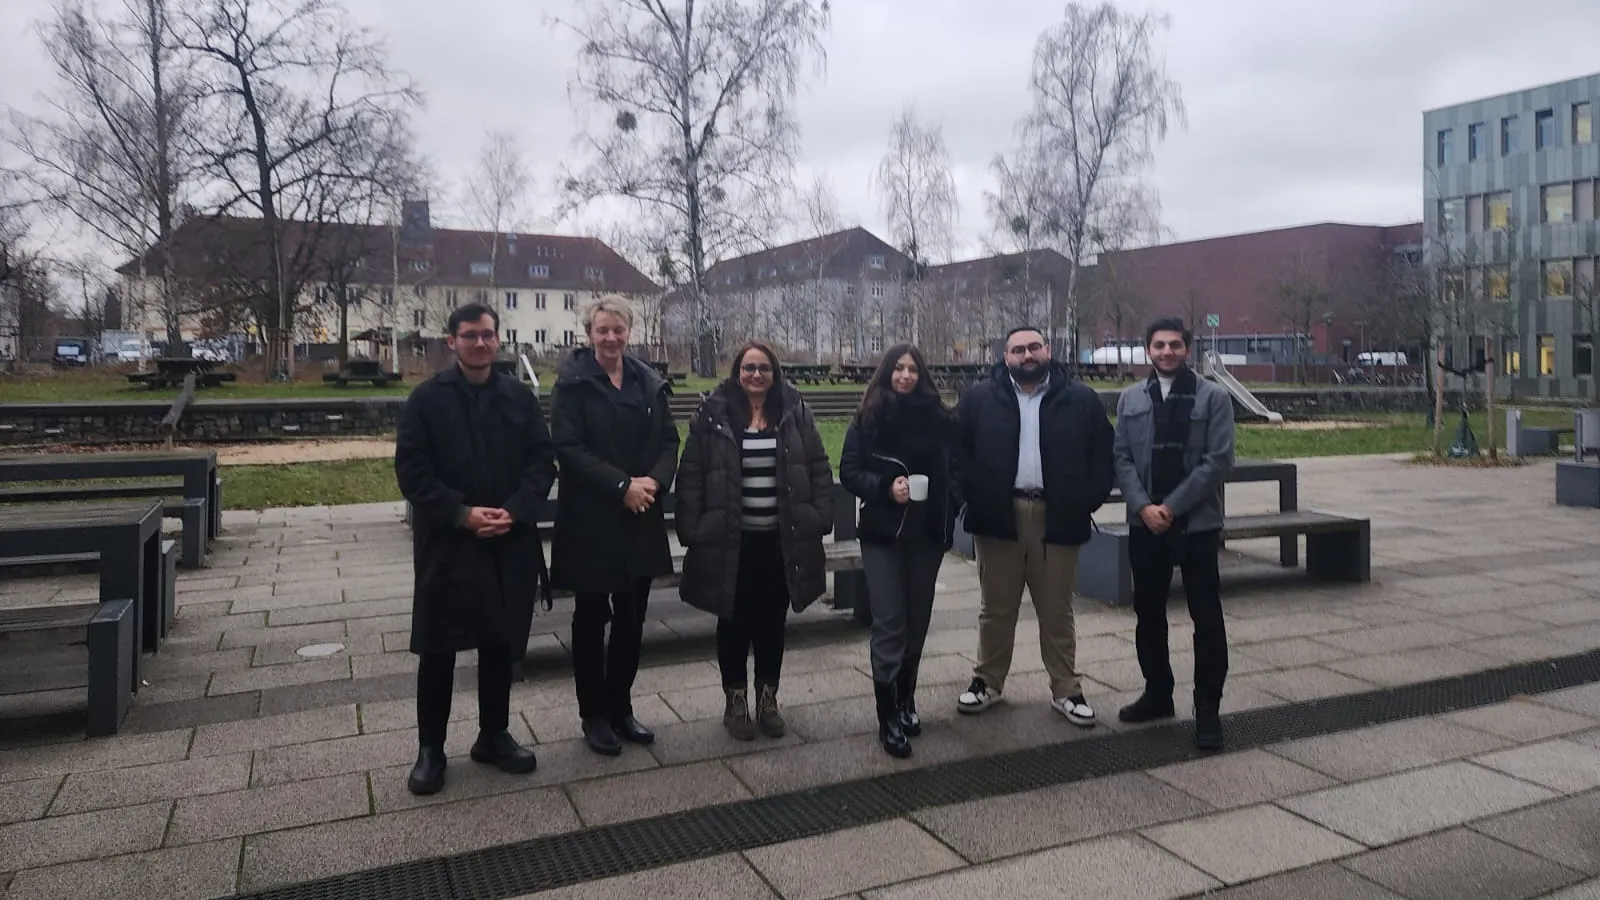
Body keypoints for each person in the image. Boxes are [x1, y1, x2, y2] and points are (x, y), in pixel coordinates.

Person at [394, 303, 556, 796]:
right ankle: (430, 749)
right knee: (439, 646)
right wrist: (461, 514)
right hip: (449, 542)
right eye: (470, 336)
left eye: (487, 335)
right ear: (452, 342)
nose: (480, 344)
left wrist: (516, 509)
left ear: (498, 339)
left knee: (499, 642)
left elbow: (541, 460)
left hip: (509, 537)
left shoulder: (519, 398)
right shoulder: (426, 400)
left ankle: (493, 734)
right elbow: (412, 472)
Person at [674, 341, 834, 741]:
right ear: (737, 372)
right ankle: (736, 703)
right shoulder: (714, 415)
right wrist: (692, 528)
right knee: (732, 623)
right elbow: (691, 473)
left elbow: (817, 466)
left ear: (775, 373)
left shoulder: (795, 412)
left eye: (764, 368)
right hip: (731, 542)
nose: (756, 375)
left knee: (771, 624)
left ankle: (768, 700)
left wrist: (820, 517)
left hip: (782, 542)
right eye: (749, 368)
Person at [954, 326, 1114, 726]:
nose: (1027, 355)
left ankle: (1066, 688)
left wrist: (1084, 500)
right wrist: (975, 496)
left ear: (1048, 350)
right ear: (1004, 355)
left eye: (1034, 347)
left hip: (1057, 515)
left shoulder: (1080, 399)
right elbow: (957, 455)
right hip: (998, 516)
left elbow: (1103, 457)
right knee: (996, 607)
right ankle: (987, 681)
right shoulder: (978, 400)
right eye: (1018, 349)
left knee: (1057, 609)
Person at [549, 296, 680, 757]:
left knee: (631, 619)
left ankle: (621, 706)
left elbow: (668, 440)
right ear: (590, 334)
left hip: (639, 515)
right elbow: (567, 446)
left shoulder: (647, 381)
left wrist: (653, 483)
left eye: (618, 330)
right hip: (591, 519)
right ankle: (594, 715)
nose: (610, 338)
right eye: (602, 330)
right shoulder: (572, 384)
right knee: (590, 621)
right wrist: (621, 484)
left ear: (629, 331)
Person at [1113, 318, 1235, 750]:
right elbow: (1121, 457)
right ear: (1148, 349)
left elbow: (1218, 460)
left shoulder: (1213, 397)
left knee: (1206, 616)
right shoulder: (1130, 400)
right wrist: (1144, 507)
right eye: (1159, 345)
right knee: (1148, 612)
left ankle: (1208, 709)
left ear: (1188, 349)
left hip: (1196, 523)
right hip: (1145, 522)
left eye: (1175, 345)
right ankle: (1158, 693)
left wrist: (1172, 506)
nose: (1167, 351)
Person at [839, 344, 961, 759]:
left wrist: (954, 498)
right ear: (887, 373)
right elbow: (850, 471)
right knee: (889, 620)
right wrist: (886, 488)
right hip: (883, 535)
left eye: (912, 369)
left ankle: (907, 699)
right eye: (898, 369)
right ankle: (887, 715)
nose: (905, 376)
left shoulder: (941, 419)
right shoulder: (868, 419)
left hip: (927, 533)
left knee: (916, 619)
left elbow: (959, 464)